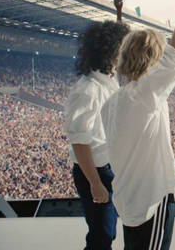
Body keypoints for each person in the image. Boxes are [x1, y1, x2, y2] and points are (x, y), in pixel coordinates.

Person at [100, 0, 175, 249]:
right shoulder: (144, 95)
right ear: (152, 59)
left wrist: (120, 16)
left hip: (129, 199)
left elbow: (125, 58)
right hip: (151, 202)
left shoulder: (112, 102)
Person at [63, 20, 129, 250]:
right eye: (123, 48)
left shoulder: (108, 80)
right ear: (110, 52)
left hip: (109, 167)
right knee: (101, 235)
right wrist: (95, 183)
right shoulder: (87, 90)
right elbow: (79, 142)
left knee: (108, 231)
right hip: (94, 171)